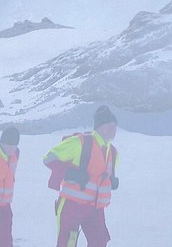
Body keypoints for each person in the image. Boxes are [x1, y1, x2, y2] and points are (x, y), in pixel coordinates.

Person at [43, 106, 120, 247]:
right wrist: (70, 173)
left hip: (96, 209)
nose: (113, 129)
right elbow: (49, 158)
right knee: (68, 243)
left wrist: (111, 181)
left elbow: (101, 176)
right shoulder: (81, 142)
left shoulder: (113, 152)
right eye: (109, 125)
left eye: (115, 126)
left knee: (99, 242)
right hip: (72, 206)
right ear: (99, 126)